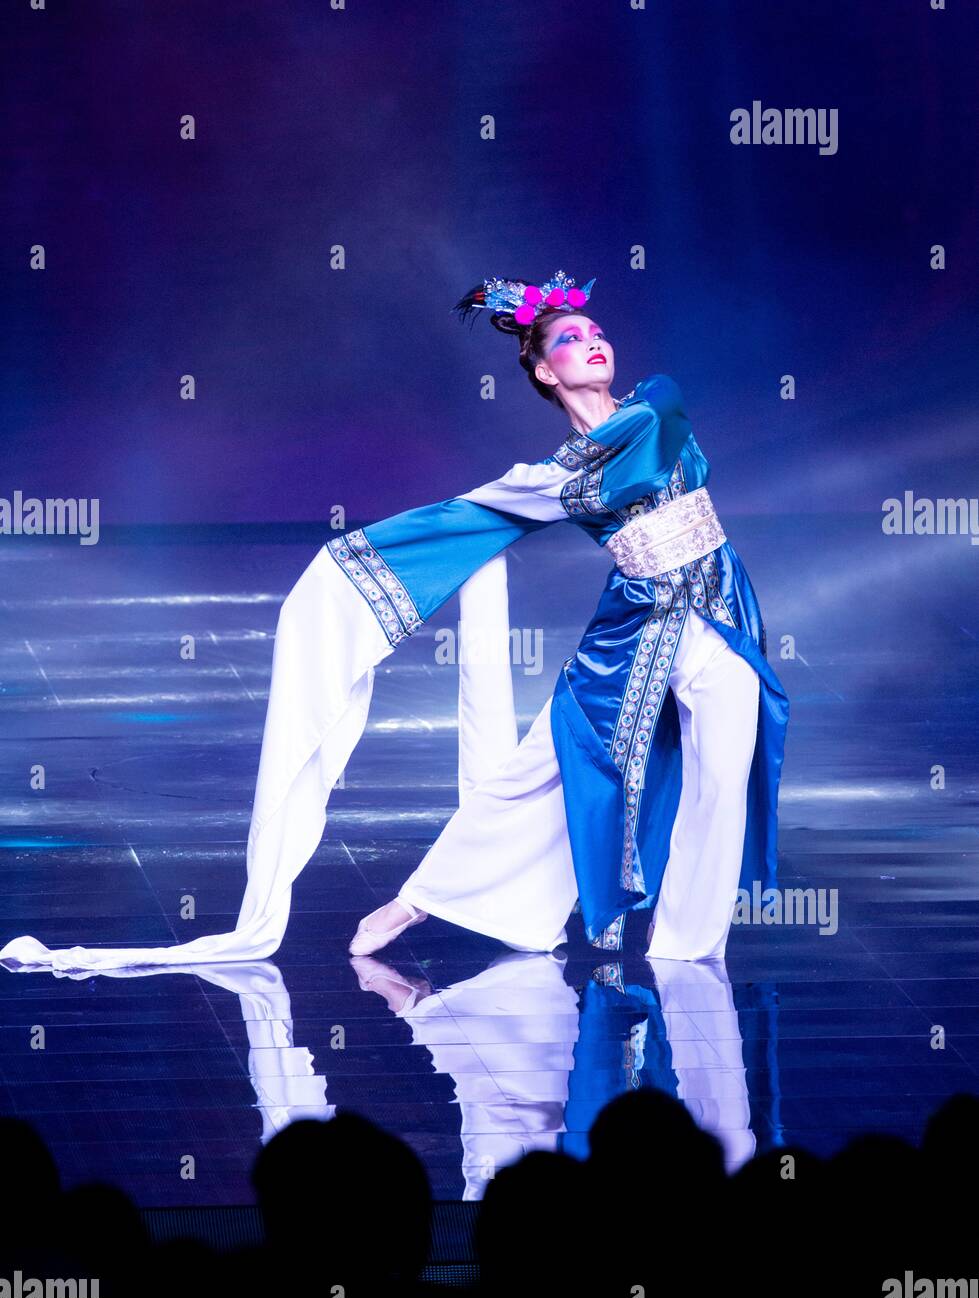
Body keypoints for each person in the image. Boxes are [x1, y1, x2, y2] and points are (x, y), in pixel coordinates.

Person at [0, 270, 789, 976]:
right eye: (570, 338)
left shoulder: (656, 401)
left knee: (720, 783)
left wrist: (563, 455)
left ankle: (688, 953)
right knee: (536, 772)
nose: (592, 342)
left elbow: (643, 454)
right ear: (544, 370)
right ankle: (423, 900)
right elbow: (465, 517)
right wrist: (349, 565)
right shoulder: (547, 478)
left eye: (595, 332)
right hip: (632, 630)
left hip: (719, 614)